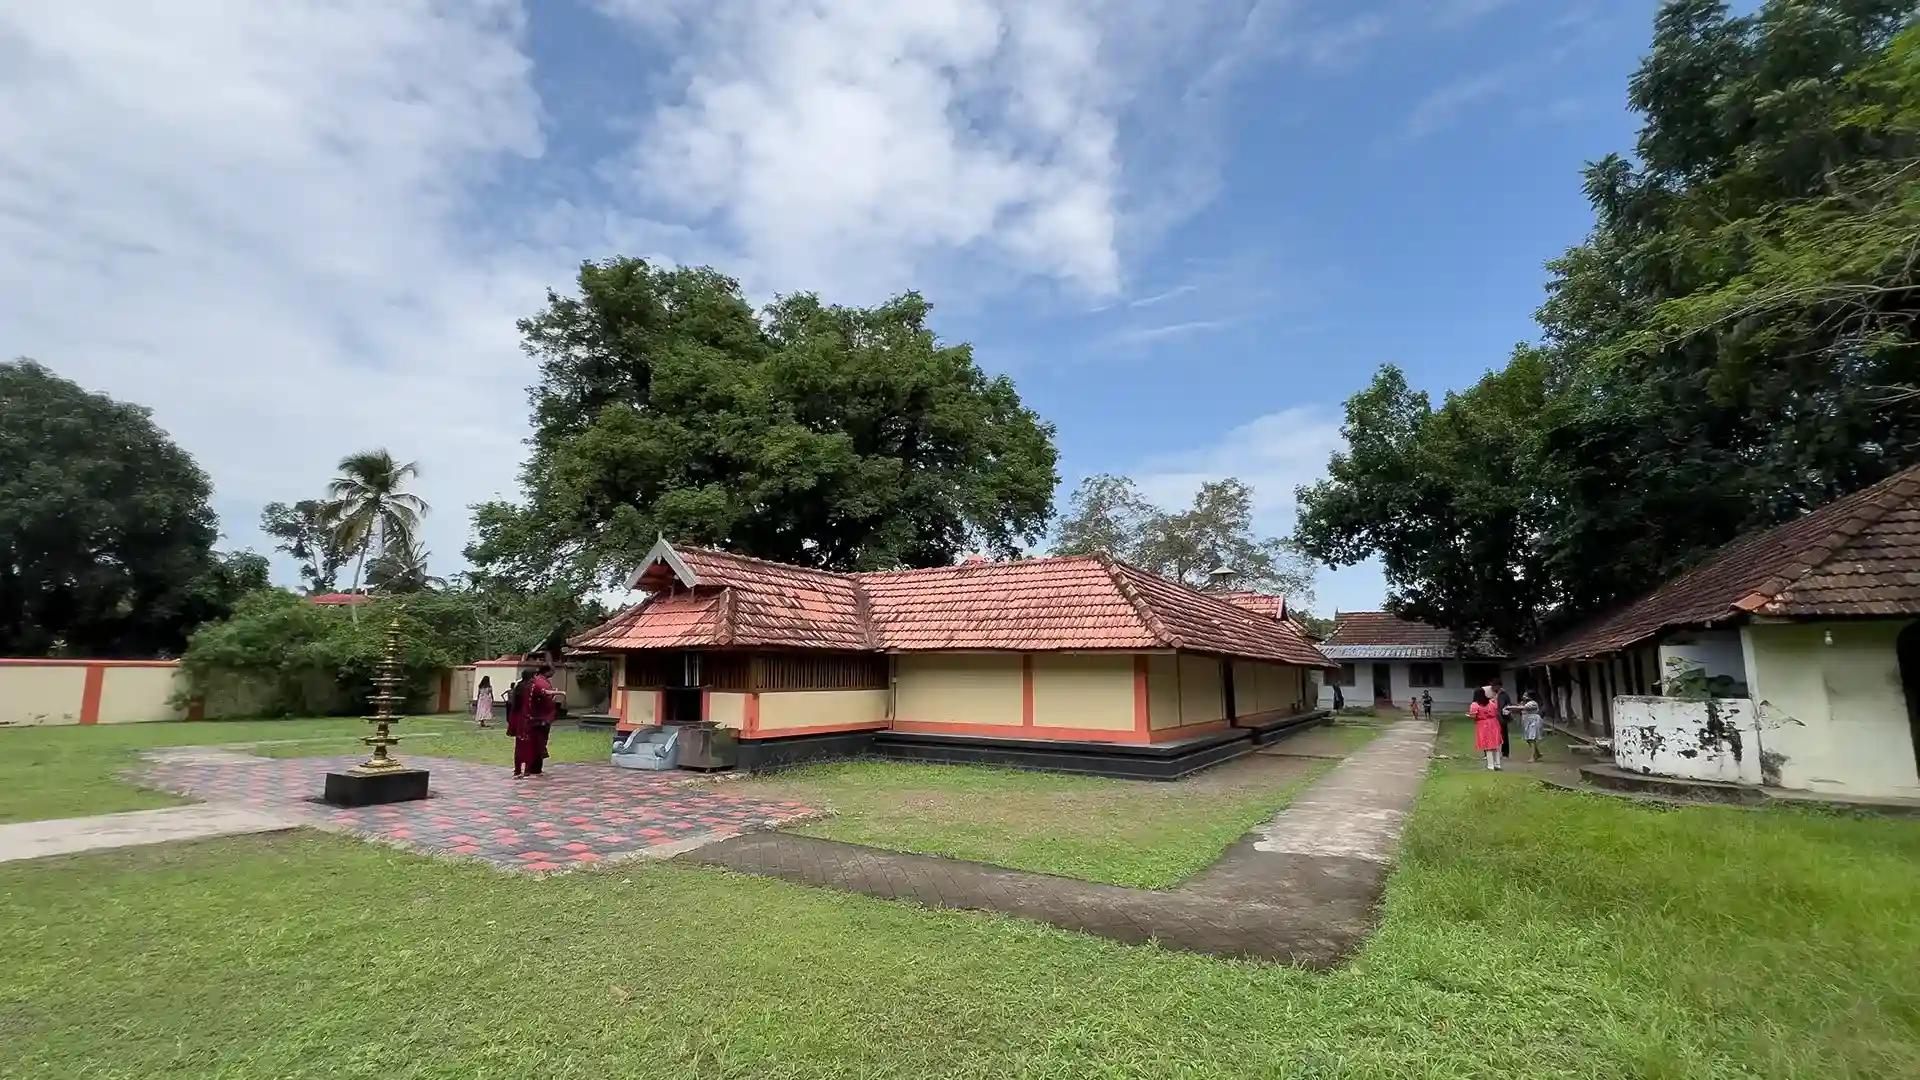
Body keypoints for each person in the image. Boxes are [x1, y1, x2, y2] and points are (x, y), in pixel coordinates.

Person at [524, 663, 557, 776]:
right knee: (538, 743)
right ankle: (534, 768)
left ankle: (533, 767)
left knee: (536, 743)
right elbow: (544, 696)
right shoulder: (540, 683)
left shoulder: (539, 682)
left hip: (536, 717)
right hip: (541, 718)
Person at [505, 668, 535, 778]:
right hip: (527, 719)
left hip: (518, 719)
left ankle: (517, 769)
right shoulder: (530, 688)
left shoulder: (518, 687)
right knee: (528, 745)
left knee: (519, 745)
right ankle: (527, 769)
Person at [1470, 688, 1503, 771]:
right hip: (1494, 723)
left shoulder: (1475, 704)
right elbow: (1496, 711)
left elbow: (1473, 716)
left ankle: (1490, 766)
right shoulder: (1491, 702)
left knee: (1488, 745)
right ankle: (1497, 764)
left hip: (1483, 724)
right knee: (1495, 745)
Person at [1513, 690, 1544, 762]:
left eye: (1526, 695)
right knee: (1528, 739)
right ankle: (1538, 753)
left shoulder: (1533, 703)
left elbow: (1522, 708)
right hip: (1527, 722)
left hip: (1533, 721)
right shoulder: (1524, 703)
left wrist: (1510, 707)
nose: (1524, 696)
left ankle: (1533, 757)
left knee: (1531, 738)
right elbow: (1520, 709)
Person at [1491, 677, 1514, 758]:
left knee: (1504, 735)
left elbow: (1509, 704)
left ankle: (1505, 752)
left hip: (1502, 717)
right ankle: (1495, 751)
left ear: (1498, 686)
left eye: (1494, 686)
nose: (1492, 687)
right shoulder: (1492, 694)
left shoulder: (1504, 694)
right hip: (1494, 717)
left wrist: (1506, 709)